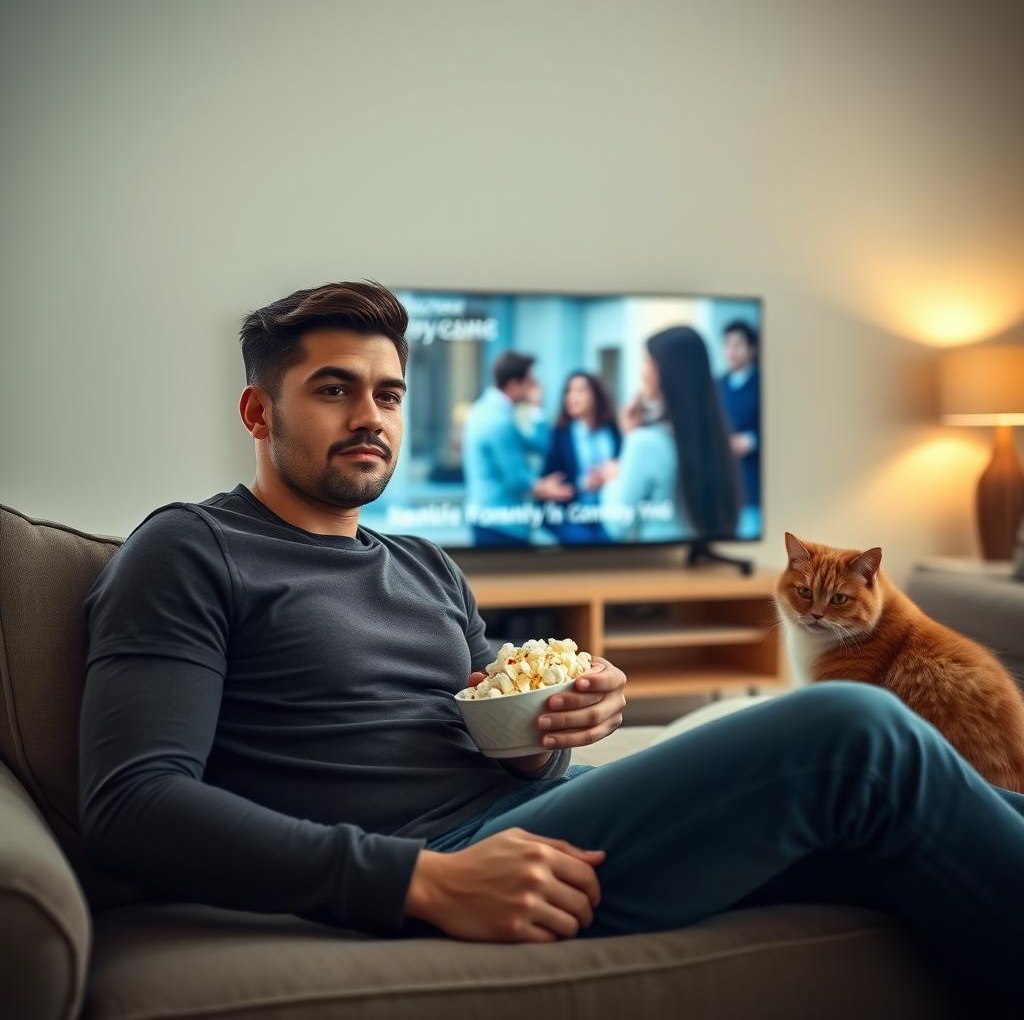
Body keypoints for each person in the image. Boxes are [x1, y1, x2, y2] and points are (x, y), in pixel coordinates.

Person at [77, 280, 1024, 1008]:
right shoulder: (191, 549)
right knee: (851, 727)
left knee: (932, 807)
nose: (371, 416)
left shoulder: (421, 563)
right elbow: (134, 803)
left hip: (541, 815)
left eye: (390, 393)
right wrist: (423, 881)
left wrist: (562, 722)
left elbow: (498, 729)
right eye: (334, 390)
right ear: (258, 413)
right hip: (453, 861)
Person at [599, 326, 740, 543]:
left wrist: (612, 479)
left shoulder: (643, 443)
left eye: (647, 362)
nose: (642, 371)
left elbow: (619, 525)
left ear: (663, 372)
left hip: (655, 570)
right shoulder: (714, 440)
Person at [461, 351, 573, 546]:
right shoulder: (498, 420)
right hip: (500, 524)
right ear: (514, 385)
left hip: (490, 520)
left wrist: (536, 408)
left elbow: (540, 445)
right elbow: (516, 479)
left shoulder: (489, 410)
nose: (535, 387)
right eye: (530, 382)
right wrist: (546, 489)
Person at [541, 371, 622, 544]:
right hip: (571, 512)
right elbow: (550, 482)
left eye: (580, 391)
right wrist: (583, 485)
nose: (572, 397)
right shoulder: (560, 435)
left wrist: (608, 477)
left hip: (608, 510)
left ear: (596, 395)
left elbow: (625, 469)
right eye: (569, 391)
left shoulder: (613, 431)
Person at [718, 319, 761, 523]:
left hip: (752, 485)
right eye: (727, 345)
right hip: (723, 485)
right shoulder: (717, 385)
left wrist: (751, 441)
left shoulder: (762, 385)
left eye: (737, 345)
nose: (731, 351)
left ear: (752, 349)